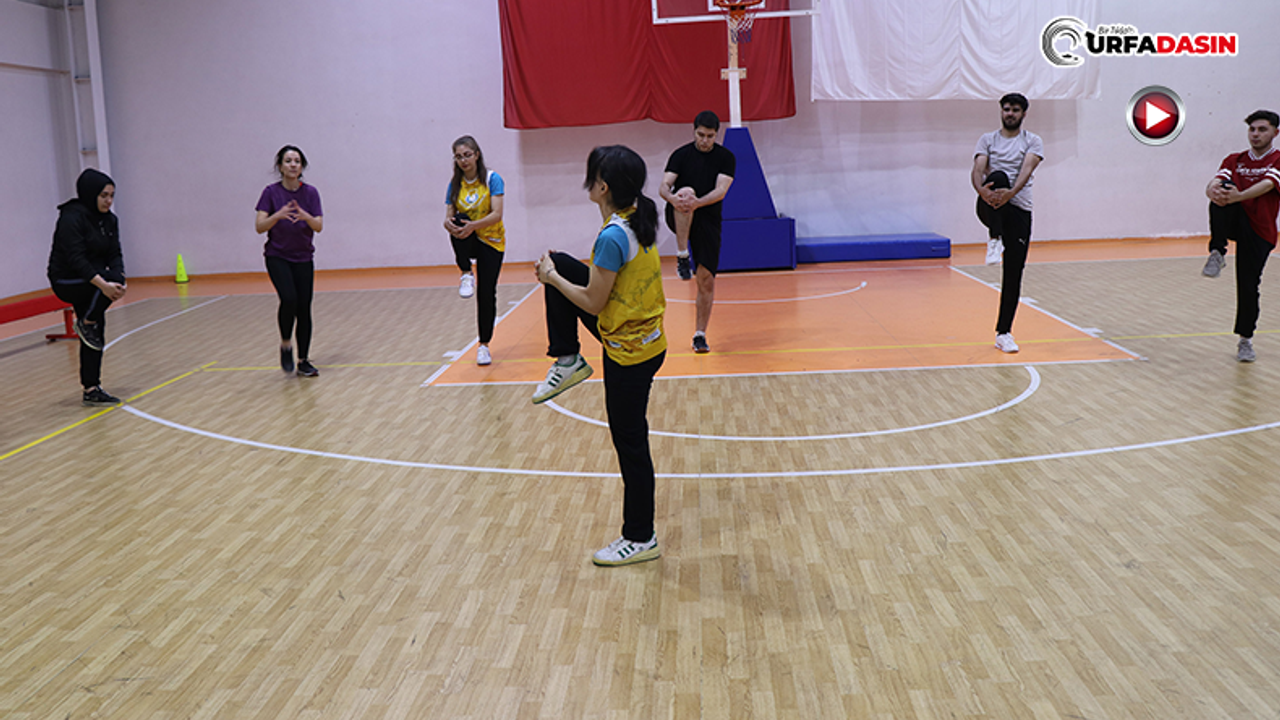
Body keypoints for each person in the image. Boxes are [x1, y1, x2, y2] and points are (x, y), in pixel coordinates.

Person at [532, 145, 667, 567]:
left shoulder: (612, 236)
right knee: (560, 263)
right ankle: (568, 358)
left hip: (629, 351)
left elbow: (592, 302)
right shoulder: (638, 214)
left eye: (592, 175)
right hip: (646, 337)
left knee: (631, 444)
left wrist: (551, 279)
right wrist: (557, 271)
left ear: (603, 186)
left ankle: (640, 537)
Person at [1203, 109, 1280, 362]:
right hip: (1236, 219)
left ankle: (1245, 339)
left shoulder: (1277, 160)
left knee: (1248, 285)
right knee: (1221, 191)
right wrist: (1210, 190)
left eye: (1262, 129)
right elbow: (1216, 181)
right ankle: (1217, 251)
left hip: (1260, 230)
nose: (1255, 134)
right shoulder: (1235, 159)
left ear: (1275, 133)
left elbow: (1268, 185)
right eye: (1252, 129)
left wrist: (1239, 196)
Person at [971, 92, 1044, 354]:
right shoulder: (988, 140)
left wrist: (1010, 194)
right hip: (990, 205)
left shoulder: (1032, 141)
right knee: (999, 176)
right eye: (1006, 109)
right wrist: (982, 191)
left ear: (1023, 114)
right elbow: (978, 169)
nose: (1010, 113)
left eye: (1015, 110)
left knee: (1013, 273)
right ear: (1001, 111)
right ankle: (994, 239)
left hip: (1018, 209)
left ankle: (1003, 333)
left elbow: (1027, 170)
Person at [48, 168, 127, 406]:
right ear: (90, 193)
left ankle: (91, 388)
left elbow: (115, 253)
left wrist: (120, 279)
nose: (108, 201)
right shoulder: (71, 218)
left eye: (111, 195)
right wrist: (105, 285)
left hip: (94, 281)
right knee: (92, 322)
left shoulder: (110, 220)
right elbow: (76, 259)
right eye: (103, 195)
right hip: (67, 279)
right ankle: (87, 322)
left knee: (95, 333)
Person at [659, 110, 735, 354]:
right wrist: (673, 199)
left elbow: (721, 191)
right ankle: (682, 254)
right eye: (701, 135)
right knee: (686, 192)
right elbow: (664, 186)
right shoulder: (680, 155)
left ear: (716, 135)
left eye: (710, 136)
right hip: (678, 212)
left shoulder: (725, 157)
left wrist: (698, 203)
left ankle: (700, 334)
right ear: (694, 132)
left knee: (706, 279)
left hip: (708, 219)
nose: (705, 140)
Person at [255, 145, 323, 377]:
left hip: (303, 257)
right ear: (280, 166)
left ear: (302, 166)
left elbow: (318, 226)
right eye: (288, 161)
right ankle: (286, 344)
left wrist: (305, 216)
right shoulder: (270, 193)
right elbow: (259, 226)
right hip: (278, 256)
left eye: (297, 161)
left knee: (304, 307)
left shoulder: (311, 193)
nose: (293, 165)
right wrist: (278, 215)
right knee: (289, 298)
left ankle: (303, 360)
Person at [443, 136, 506, 366]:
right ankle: (466, 272)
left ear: (477, 155)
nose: (463, 160)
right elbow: (448, 216)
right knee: (457, 219)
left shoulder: (492, 179)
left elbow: (497, 214)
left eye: (467, 155)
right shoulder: (455, 184)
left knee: (486, 292)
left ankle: (484, 345)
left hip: (491, 240)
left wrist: (473, 226)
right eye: (458, 156)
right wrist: (449, 224)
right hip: (468, 239)